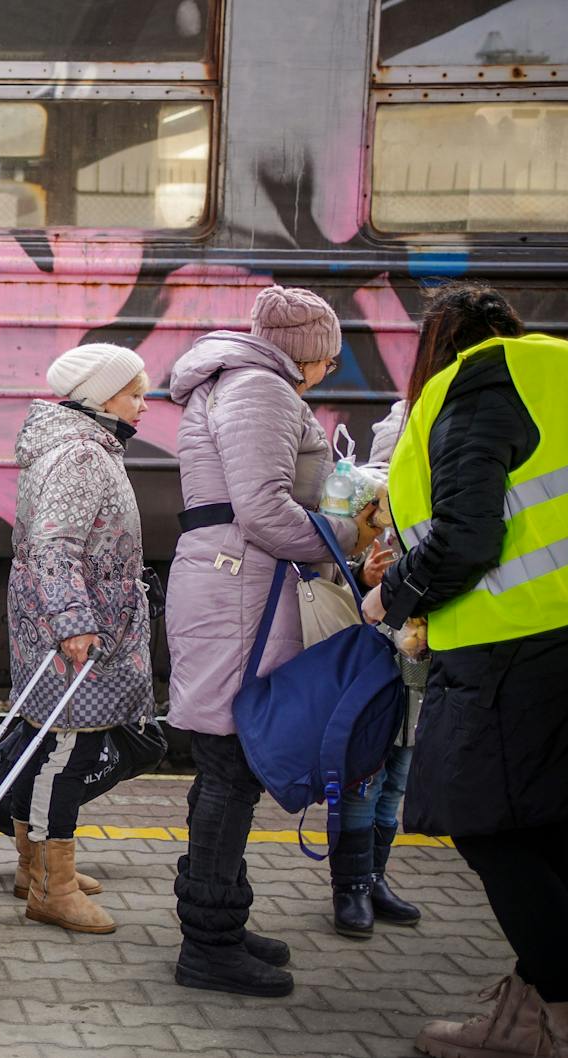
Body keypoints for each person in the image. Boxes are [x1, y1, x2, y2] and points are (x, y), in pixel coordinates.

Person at [356, 286, 568, 1058]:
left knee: (484, 823)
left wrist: (393, 595)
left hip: (512, 648)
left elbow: (468, 536)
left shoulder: (478, 387)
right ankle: (533, 1004)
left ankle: (554, 1005)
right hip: (548, 641)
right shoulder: (554, 371)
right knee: (547, 825)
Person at [164, 285, 366, 998]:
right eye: (328, 357)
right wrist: (349, 535)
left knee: (227, 766)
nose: (329, 370)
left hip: (236, 587)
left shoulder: (239, 382)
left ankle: (220, 920)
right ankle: (208, 945)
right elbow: (263, 509)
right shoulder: (261, 388)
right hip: (241, 593)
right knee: (231, 768)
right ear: (306, 352)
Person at [326, 286, 515, 939]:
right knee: (370, 759)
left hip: (443, 620)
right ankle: (350, 885)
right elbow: (371, 512)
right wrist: (374, 568)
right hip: (397, 616)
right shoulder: (409, 418)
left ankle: (375, 876)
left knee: (403, 762)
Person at [1, 344, 155, 935]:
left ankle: (32, 866)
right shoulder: (82, 455)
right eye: (135, 393)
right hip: (75, 630)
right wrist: (73, 622)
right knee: (68, 752)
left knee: (42, 745)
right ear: (100, 397)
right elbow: (54, 546)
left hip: (65, 623)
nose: (144, 404)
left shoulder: (78, 447)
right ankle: (52, 888)